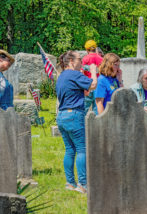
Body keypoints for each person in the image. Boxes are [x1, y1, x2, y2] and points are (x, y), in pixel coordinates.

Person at [56, 50, 97, 194]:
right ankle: (83, 184)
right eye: (80, 59)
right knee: (81, 149)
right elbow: (93, 85)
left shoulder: (62, 76)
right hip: (74, 115)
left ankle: (70, 183)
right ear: (71, 61)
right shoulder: (75, 74)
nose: (82, 62)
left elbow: (83, 91)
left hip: (61, 115)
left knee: (69, 150)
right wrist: (93, 71)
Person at [82, 40, 103, 114]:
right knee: (97, 108)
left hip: (88, 86)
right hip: (98, 85)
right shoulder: (101, 59)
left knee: (84, 108)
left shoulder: (85, 58)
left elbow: (82, 72)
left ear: (87, 49)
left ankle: (83, 124)